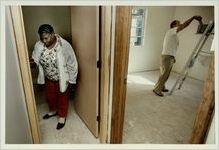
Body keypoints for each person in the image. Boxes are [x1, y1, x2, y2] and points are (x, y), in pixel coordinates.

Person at [30, 24, 78, 129]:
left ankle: (62, 116)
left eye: (46, 38)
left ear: (52, 34)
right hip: (48, 78)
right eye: (41, 38)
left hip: (62, 78)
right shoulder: (39, 45)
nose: (44, 41)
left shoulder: (64, 45)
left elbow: (72, 63)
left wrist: (72, 81)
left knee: (62, 97)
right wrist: (33, 62)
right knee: (50, 96)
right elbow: (35, 57)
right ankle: (53, 111)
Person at [153, 16, 202, 97]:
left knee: (166, 73)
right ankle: (157, 89)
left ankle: (161, 87)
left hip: (169, 56)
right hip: (167, 56)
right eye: (179, 23)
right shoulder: (171, 31)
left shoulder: (174, 35)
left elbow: (171, 46)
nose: (181, 24)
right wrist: (193, 18)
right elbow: (184, 25)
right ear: (173, 26)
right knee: (164, 74)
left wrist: (173, 57)